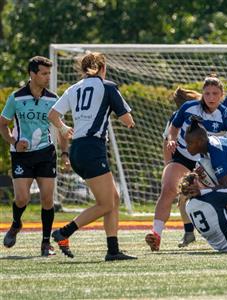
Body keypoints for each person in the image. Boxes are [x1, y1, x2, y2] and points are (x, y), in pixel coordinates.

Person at [47, 52, 137, 261]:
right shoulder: (108, 86)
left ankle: (113, 250)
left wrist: (62, 128)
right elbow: (127, 120)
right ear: (103, 69)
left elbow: (52, 115)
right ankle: (64, 232)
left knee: (113, 198)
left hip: (78, 148)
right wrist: (129, 120)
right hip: (92, 148)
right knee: (106, 204)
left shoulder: (74, 88)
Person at [145, 76, 227, 252]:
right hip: (184, 157)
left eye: (215, 93)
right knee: (168, 189)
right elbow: (173, 129)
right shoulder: (188, 108)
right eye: (207, 93)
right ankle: (156, 234)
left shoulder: (224, 114)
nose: (211, 97)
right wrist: (172, 141)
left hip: (210, 162)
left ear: (222, 95)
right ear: (202, 94)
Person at [0, 56, 70, 257]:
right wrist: (14, 142)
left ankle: (46, 243)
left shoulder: (53, 99)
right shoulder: (16, 98)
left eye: (49, 73)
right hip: (21, 155)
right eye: (44, 73)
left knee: (47, 199)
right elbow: (3, 124)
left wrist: (65, 154)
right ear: (32, 74)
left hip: (46, 153)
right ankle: (15, 224)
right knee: (22, 199)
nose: (48, 77)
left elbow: (61, 129)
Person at [162, 87, 202, 248]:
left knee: (220, 194)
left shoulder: (205, 115)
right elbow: (167, 140)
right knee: (183, 197)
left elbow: (166, 143)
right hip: (189, 162)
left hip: (206, 162)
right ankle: (189, 232)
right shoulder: (176, 118)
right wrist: (169, 166)